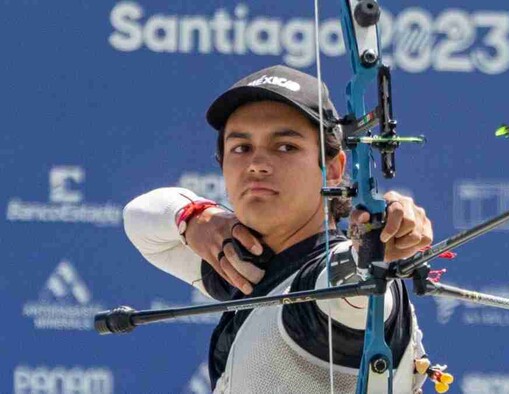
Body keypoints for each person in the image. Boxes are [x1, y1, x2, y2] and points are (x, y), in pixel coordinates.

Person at [123, 65, 433, 393]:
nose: (256, 163)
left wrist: (374, 242)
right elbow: (139, 219)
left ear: (332, 168)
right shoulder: (241, 267)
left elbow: (352, 283)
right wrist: (196, 218)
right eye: (241, 148)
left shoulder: (324, 281)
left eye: (285, 146)